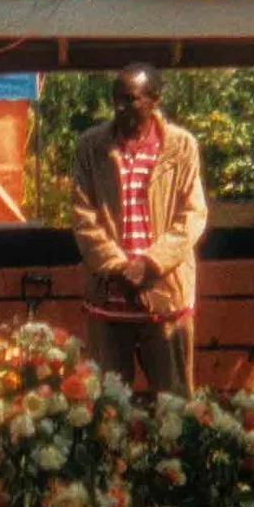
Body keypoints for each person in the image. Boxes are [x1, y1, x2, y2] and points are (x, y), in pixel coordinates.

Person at [70, 63, 208, 396]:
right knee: (106, 408)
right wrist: (119, 267)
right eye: (116, 99)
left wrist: (150, 263)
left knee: (175, 404)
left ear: (154, 100)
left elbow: (193, 215)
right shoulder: (91, 147)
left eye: (130, 99)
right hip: (109, 298)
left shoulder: (181, 146)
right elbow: (82, 215)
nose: (120, 107)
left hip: (165, 297)